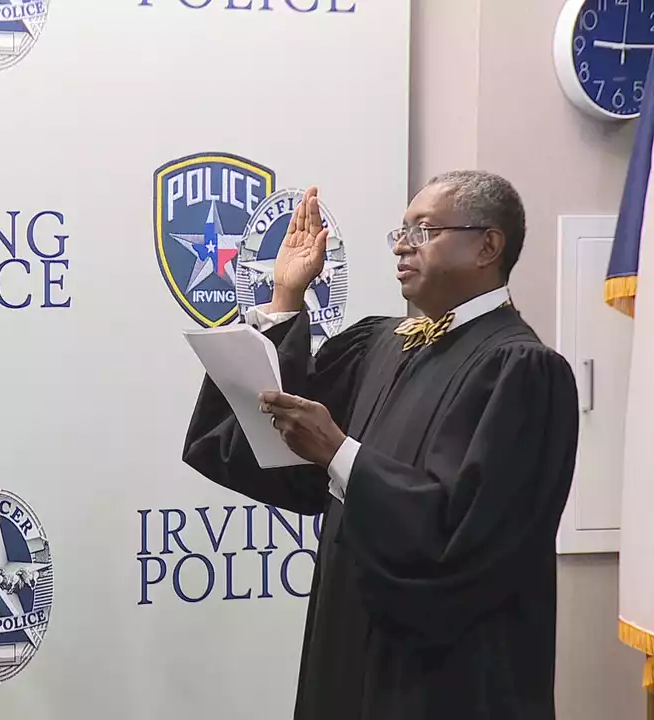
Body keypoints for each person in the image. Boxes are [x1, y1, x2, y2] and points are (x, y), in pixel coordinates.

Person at [182, 171, 579, 720]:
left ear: (488, 245)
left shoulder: (523, 371)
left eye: (425, 230)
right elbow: (284, 459)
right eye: (402, 229)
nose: (401, 244)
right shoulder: (382, 344)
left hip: (446, 673)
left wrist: (339, 452)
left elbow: (463, 534)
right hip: (350, 641)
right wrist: (285, 297)